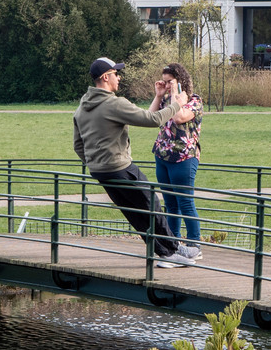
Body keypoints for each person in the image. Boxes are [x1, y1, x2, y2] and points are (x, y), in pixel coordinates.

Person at [73, 57, 196, 268]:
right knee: (151, 204)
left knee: (135, 214)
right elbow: (153, 120)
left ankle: (171, 249)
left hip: (99, 171)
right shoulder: (113, 103)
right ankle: (169, 254)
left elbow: (78, 145)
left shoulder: (82, 107)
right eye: (115, 74)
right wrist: (176, 105)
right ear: (105, 77)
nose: (119, 78)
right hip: (120, 167)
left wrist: (94, 163)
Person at [150, 63, 204, 262]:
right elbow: (152, 117)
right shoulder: (165, 99)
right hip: (163, 156)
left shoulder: (194, 101)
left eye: (169, 81)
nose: (166, 85)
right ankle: (172, 246)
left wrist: (176, 97)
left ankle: (194, 245)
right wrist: (158, 95)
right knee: (170, 203)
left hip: (183, 157)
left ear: (180, 81)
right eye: (163, 81)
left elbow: (180, 118)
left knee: (185, 202)